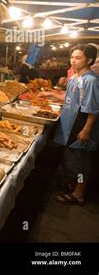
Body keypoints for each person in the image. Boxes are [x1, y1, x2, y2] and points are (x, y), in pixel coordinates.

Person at [40, 44, 98, 205]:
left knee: (81, 162)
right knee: (72, 159)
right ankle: (73, 185)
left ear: (90, 60)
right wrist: (51, 94)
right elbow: (69, 98)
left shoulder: (91, 81)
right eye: (72, 57)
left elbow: (93, 109)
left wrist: (86, 129)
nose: (73, 61)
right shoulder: (75, 77)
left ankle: (79, 193)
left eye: (78, 58)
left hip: (80, 126)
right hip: (69, 124)